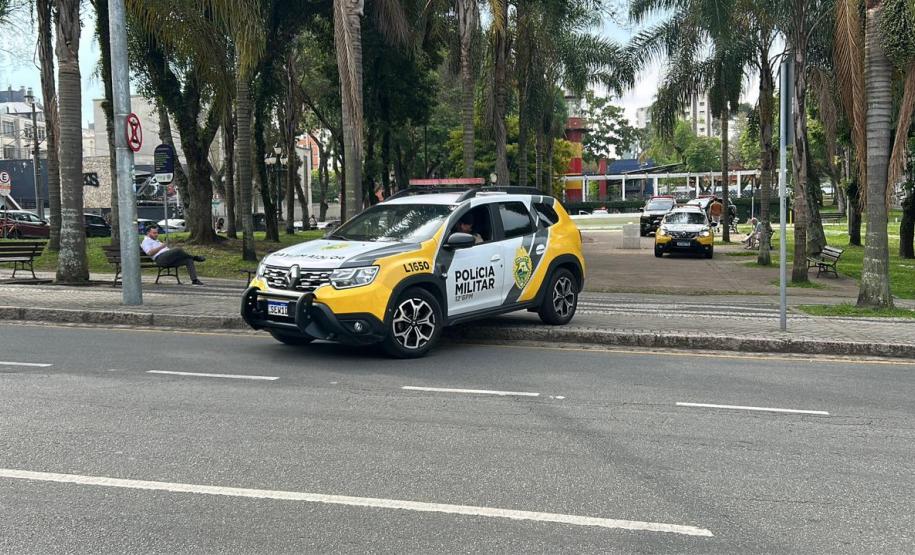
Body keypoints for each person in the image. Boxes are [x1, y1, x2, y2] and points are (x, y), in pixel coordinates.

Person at [141, 226, 207, 285]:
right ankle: (194, 257)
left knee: (188, 260)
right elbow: (149, 253)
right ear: (148, 233)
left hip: (169, 258)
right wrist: (162, 246)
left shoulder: (156, 241)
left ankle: (194, 280)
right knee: (178, 249)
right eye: (154, 233)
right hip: (161, 259)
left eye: (157, 233)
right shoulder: (146, 241)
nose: (156, 234)